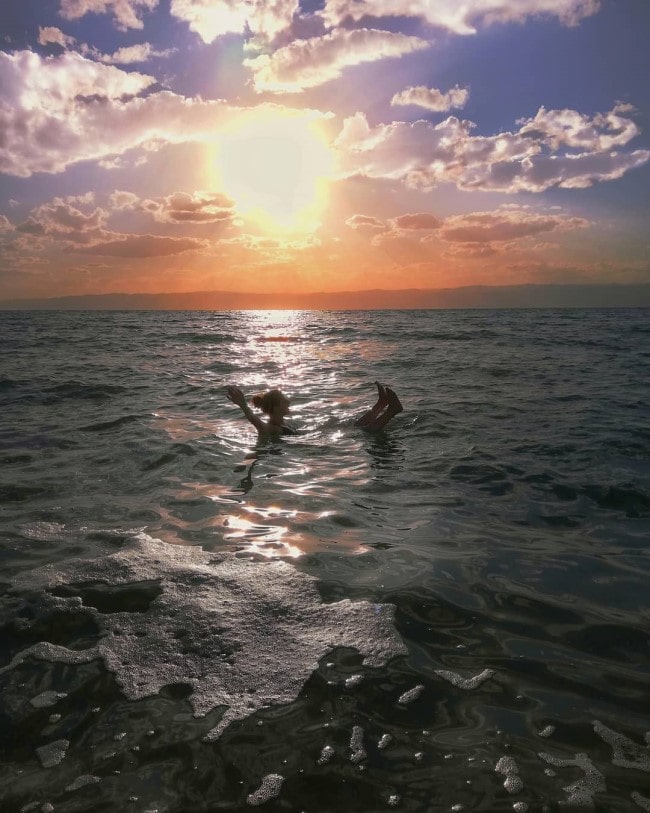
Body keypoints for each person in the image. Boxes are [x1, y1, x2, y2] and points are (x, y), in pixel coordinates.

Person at [226, 382, 402, 437]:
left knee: (355, 425)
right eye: (284, 399)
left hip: (311, 435)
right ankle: (391, 411)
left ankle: (381, 404)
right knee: (363, 431)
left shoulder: (280, 422)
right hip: (311, 440)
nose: (288, 400)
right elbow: (254, 421)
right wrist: (242, 404)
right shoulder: (271, 428)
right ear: (277, 407)